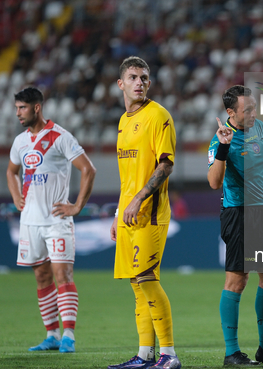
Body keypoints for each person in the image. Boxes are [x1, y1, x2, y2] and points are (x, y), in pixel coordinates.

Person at [6, 87, 96, 353]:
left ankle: (69, 335)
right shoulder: (20, 142)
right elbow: (11, 171)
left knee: (62, 274)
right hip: (30, 222)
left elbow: (88, 169)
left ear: (36, 108)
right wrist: (15, 197)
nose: (18, 113)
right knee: (42, 277)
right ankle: (52, 335)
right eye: (16, 108)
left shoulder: (60, 137)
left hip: (57, 220)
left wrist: (77, 206)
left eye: (22, 108)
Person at [108, 56, 181, 369]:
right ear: (120, 84)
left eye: (144, 78)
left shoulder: (159, 116)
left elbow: (165, 163)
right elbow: (128, 175)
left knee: (146, 277)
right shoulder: (124, 122)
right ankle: (144, 355)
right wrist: (118, 211)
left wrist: (139, 199)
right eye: (133, 77)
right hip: (128, 213)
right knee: (136, 284)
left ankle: (169, 354)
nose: (140, 83)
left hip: (150, 212)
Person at [207, 85, 263, 366]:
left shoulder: (259, 129)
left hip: (261, 212)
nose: (254, 113)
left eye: (254, 108)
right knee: (238, 280)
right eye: (247, 110)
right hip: (237, 213)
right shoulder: (220, 141)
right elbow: (214, 182)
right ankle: (232, 353)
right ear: (231, 113)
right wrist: (224, 148)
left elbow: (260, 168)